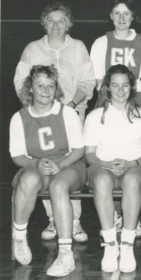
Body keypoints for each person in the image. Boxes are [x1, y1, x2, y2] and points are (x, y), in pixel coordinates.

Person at [13, 2, 95, 243]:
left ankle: (75, 221)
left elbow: (87, 82)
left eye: (61, 20)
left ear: (69, 24)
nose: (56, 25)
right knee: (46, 164)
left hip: (72, 113)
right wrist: (35, 110)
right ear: (44, 23)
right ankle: (53, 219)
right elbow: (20, 83)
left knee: (70, 166)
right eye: (51, 20)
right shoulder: (31, 49)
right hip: (40, 118)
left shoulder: (78, 47)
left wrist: (68, 108)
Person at [10, 65, 86, 277]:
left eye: (50, 86)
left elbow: (79, 149)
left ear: (56, 89)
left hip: (69, 164)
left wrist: (59, 165)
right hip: (37, 164)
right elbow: (17, 156)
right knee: (28, 180)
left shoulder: (68, 113)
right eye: (40, 85)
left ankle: (65, 254)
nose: (45, 90)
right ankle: (19, 236)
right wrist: (36, 164)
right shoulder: (19, 118)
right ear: (30, 88)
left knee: (59, 185)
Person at [90, 0, 141, 235]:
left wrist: (128, 104)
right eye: (117, 13)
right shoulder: (100, 43)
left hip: (135, 100)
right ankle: (116, 215)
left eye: (126, 13)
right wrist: (113, 102)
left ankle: (131, 218)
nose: (121, 18)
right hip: (108, 100)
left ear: (132, 16)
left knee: (134, 162)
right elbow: (99, 81)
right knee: (110, 159)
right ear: (110, 16)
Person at [84, 64, 141, 273]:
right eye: (115, 85)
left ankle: (127, 244)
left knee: (131, 180)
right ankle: (109, 244)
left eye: (125, 85)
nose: (121, 90)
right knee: (101, 180)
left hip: (135, 168)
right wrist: (106, 164)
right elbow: (89, 155)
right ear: (107, 88)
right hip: (104, 168)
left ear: (132, 87)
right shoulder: (94, 116)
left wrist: (131, 163)